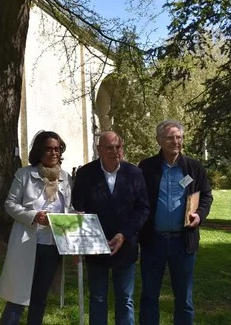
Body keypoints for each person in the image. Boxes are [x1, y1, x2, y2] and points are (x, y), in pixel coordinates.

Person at [138, 119, 213, 325]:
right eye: (170, 137)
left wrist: (199, 214)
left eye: (178, 137)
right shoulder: (146, 167)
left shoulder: (193, 168)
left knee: (184, 299)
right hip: (153, 242)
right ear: (159, 140)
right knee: (149, 296)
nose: (175, 142)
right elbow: (138, 199)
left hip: (183, 242)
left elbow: (206, 196)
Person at [72, 131, 150, 325]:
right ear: (99, 150)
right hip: (94, 245)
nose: (115, 151)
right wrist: (76, 244)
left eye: (118, 147)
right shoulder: (86, 174)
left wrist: (124, 234)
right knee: (97, 297)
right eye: (109, 147)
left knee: (125, 299)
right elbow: (78, 208)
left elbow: (143, 208)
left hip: (125, 244)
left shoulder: (134, 173)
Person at [0, 131, 73, 325]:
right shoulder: (24, 174)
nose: (53, 153)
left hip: (52, 245)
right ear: (39, 151)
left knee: (40, 297)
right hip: (27, 243)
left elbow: (69, 208)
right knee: (18, 296)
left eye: (57, 149)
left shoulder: (65, 177)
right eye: (48, 148)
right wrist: (34, 216)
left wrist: (74, 216)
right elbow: (10, 204)